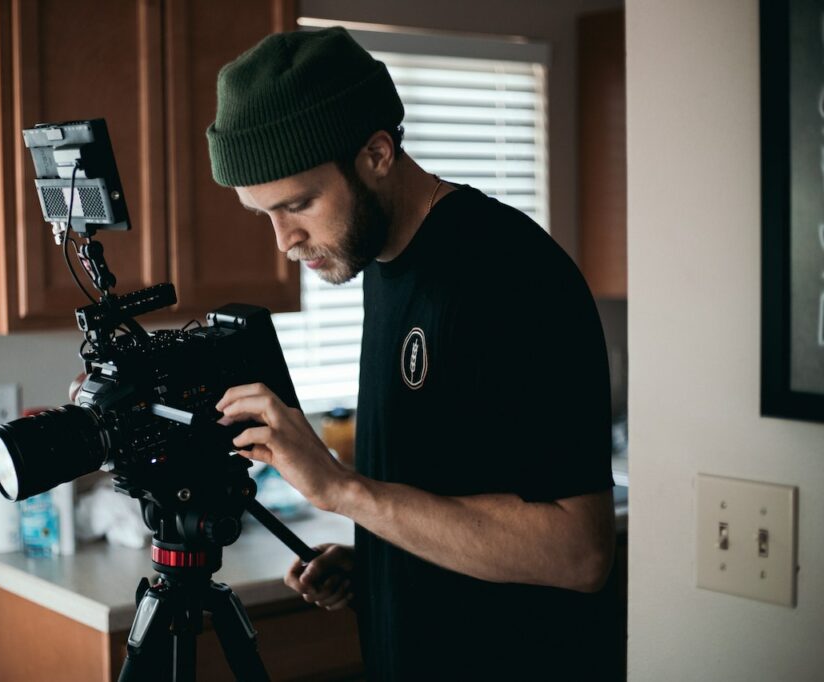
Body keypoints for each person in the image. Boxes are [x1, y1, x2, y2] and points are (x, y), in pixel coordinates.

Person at [208, 26, 618, 679]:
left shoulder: (509, 274)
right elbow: (449, 487)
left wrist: (343, 490)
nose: (284, 240)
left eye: (300, 204)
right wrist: (379, 559)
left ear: (376, 153)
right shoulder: (384, 264)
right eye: (266, 215)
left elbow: (578, 554)